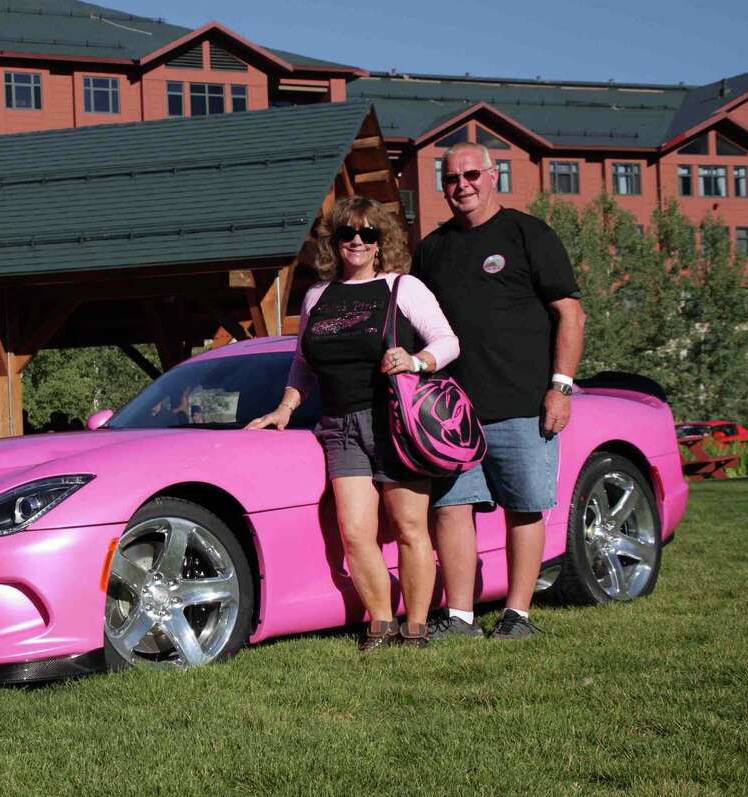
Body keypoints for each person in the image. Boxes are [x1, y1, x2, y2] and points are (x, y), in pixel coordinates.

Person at [248, 196, 460, 650]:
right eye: (348, 234)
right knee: (356, 533)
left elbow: (448, 341)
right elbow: (303, 365)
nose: (358, 242)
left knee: (408, 528)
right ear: (334, 242)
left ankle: (417, 626)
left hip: (394, 423)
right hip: (339, 426)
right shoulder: (317, 296)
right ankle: (381, 625)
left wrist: (416, 360)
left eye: (369, 234)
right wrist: (285, 408)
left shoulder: (402, 288)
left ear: (382, 243)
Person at [412, 142, 586, 640]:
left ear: (493, 177)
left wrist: (561, 388)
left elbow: (570, 313)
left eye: (471, 175)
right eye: (450, 179)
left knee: (524, 506)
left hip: (523, 404)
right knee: (451, 508)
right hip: (451, 412)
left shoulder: (529, 234)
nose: (461, 185)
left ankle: (517, 615)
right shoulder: (433, 248)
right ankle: (461, 617)